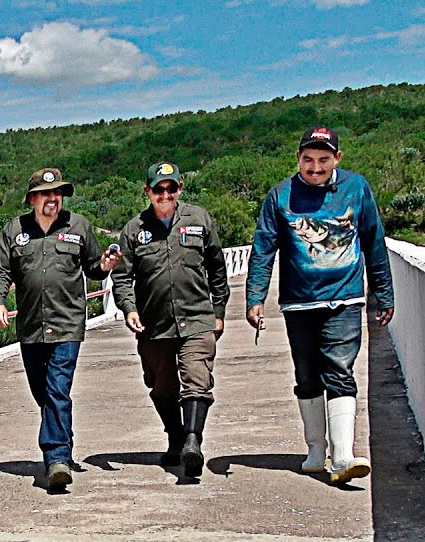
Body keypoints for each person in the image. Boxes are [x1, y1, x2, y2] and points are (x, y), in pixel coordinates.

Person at [245, 127, 394, 484]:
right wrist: (255, 298)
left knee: (340, 370)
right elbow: (263, 249)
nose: (315, 167)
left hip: (344, 297)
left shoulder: (356, 189)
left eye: (323, 160)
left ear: (336, 159)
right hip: (299, 302)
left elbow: (374, 241)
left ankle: (343, 455)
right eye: (308, 160)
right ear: (298, 159)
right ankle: (316, 449)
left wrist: (383, 293)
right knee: (307, 375)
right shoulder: (280, 196)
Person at [0, 167, 119, 490]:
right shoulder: (14, 231)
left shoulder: (78, 226)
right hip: (32, 326)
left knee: (57, 388)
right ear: (33, 199)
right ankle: (63, 437)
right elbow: (0, 271)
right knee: (42, 392)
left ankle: (56, 458)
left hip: (68, 323)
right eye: (47, 194)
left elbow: (93, 267)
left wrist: (105, 265)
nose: (53, 199)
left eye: (58, 193)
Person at [111, 161, 229, 478]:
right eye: (158, 189)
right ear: (147, 191)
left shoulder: (199, 219)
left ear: (179, 188)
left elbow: (217, 268)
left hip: (197, 317)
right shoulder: (134, 230)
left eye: (171, 188)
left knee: (197, 380)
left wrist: (218, 312)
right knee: (162, 387)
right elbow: (122, 278)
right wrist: (129, 308)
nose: (165, 194)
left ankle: (193, 442)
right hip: (154, 323)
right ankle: (176, 438)